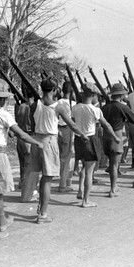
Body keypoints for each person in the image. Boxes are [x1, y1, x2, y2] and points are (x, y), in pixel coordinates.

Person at [0, 77, 43, 241]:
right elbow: (20, 133)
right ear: (1, 98)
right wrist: (37, 143)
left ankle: (2, 221)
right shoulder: (3, 115)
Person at [25, 78, 87, 223]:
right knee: (47, 179)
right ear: (54, 90)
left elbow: (33, 124)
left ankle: (40, 208)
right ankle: (43, 214)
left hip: (36, 139)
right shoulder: (58, 106)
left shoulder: (35, 105)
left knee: (42, 177)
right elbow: (71, 124)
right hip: (49, 141)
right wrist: (82, 135)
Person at [102, 83, 134, 190]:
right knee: (114, 164)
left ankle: (114, 185)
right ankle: (113, 188)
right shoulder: (122, 107)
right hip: (116, 134)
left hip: (105, 135)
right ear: (121, 95)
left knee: (112, 162)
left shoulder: (104, 107)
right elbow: (133, 118)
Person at [56, 81, 76, 193]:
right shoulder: (73, 103)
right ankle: (63, 183)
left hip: (57, 130)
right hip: (68, 130)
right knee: (66, 158)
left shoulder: (57, 102)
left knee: (61, 157)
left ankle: (64, 181)